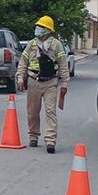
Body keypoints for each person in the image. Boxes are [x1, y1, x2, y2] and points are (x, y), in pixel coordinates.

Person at [16, 15, 69, 154]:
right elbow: (23, 62)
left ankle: (50, 141)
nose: (37, 29)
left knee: (50, 111)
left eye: (41, 27)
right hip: (33, 81)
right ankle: (33, 136)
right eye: (37, 26)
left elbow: (63, 65)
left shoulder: (56, 44)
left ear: (47, 30)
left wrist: (65, 84)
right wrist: (20, 79)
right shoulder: (31, 44)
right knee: (32, 112)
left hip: (51, 82)